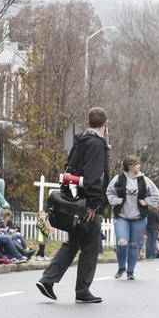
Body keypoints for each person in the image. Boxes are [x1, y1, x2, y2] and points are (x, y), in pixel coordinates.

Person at [36, 107, 110, 304]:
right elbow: (95, 176)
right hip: (87, 206)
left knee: (73, 243)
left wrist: (73, 198)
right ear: (106, 124)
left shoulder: (80, 141)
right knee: (90, 247)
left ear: (88, 122)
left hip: (75, 202)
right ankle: (83, 290)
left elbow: (69, 172)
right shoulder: (96, 143)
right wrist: (93, 204)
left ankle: (48, 279)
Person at [107, 155, 159, 280]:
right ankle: (121, 267)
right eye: (137, 164)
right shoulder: (119, 178)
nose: (139, 165)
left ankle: (130, 271)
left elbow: (156, 194)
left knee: (134, 245)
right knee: (122, 242)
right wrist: (116, 200)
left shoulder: (144, 180)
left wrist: (146, 202)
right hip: (122, 216)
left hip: (139, 218)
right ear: (130, 166)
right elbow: (109, 192)